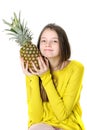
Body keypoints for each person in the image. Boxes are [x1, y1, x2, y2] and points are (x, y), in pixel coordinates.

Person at [20, 23, 85, 130]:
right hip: (42, 125)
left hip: (67, 125)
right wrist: (34, 77)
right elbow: (36, 118)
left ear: (63, 44)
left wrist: (45, 76)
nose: (47, 45)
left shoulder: (76, 68)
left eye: (54, 41)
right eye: (43, 41)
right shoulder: (32, 69)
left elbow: (62, 115)